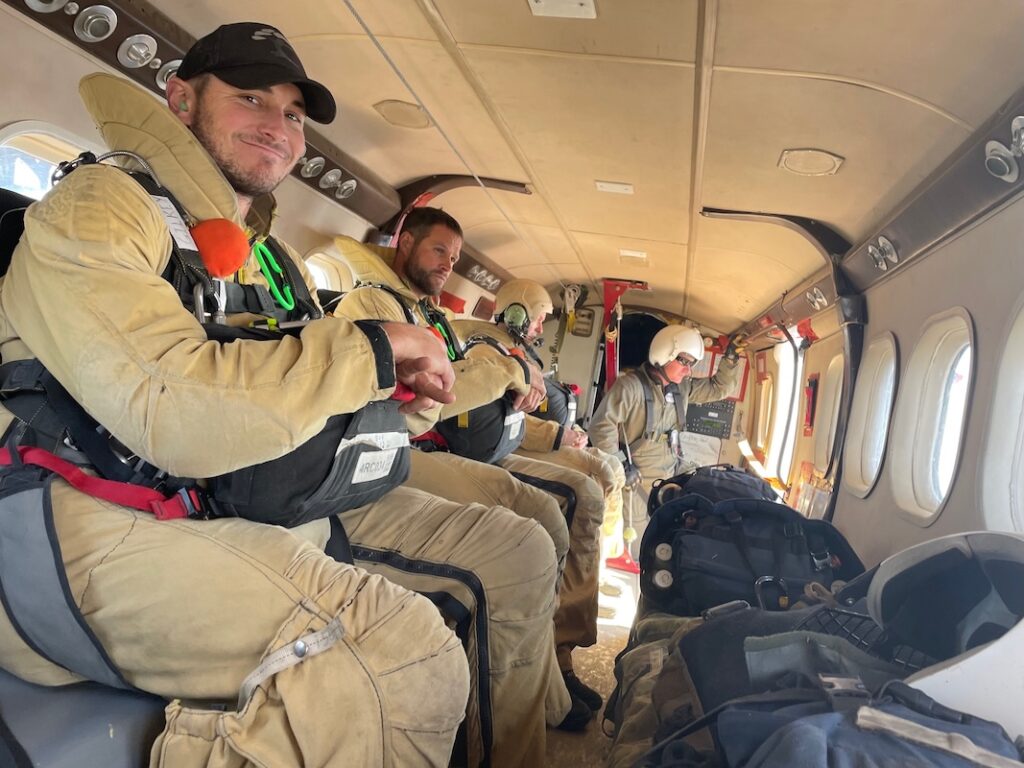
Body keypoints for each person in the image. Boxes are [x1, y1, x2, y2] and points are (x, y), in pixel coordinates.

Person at [0, 22, 560, 768]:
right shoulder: (101, 208)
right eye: (251, 98)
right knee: (400, 657)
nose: (278, 125)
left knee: (520, 546)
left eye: (293, 114)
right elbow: (169, 407)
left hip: (249, 489)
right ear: (181, 99)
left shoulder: (263, 254)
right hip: (75, 518)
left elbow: (289, 384)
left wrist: (399, 394)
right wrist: (369, 352)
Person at [332, 208, 607, 725]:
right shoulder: (370, 303)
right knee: (538, 525)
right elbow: (434, 399)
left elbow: (468, 399)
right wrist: (510, 370)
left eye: (455, 257)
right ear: (406, 243)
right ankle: (545, 689)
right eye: (439, 250)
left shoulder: (430, 316)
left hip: (431, 443)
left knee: (548, 516)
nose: (447, 264)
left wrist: (511, 376)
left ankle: (551, 674)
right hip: (397, 448)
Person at [453, 277, 629, 701]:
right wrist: (556, 436)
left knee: (602, 475)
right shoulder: (484, 347)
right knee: (582, 494)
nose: (539, 327)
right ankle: (559, 651)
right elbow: (491, 416)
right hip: (497, 449)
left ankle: (578, 607)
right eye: (538, 318)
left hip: (513, 441)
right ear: (515, 311)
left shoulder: (515, 352)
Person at [588, 324, 742, 547]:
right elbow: (601, 426)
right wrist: (620, 464)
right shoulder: (630, 387)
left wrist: (731, 359)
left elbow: (719, 388)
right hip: (638, 480)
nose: (688, 371)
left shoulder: (682, 388)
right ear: (664, 353)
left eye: (692, 364)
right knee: (637, 541)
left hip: (672, 472)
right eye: (684, 361)